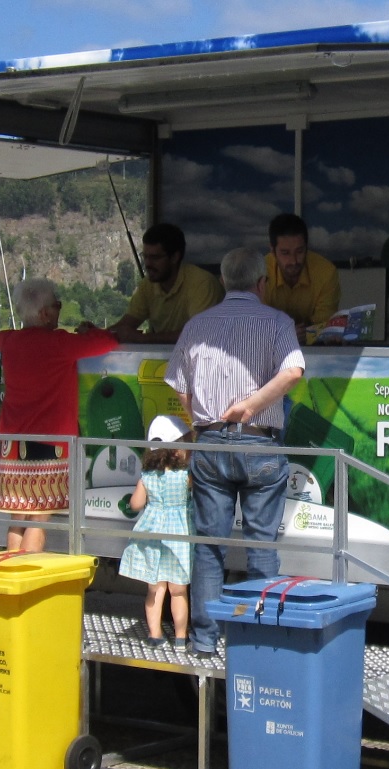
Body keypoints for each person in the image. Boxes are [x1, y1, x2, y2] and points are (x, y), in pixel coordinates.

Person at [165, 247, 306, 658]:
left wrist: (201, 421)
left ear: (224, 282)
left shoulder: (197, 324)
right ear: (262, 283)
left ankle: (205, 639)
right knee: (262, 544)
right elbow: (294, 370)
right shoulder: (278, 321)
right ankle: (261, 638)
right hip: (260, 442)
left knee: (210, 545)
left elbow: (176, 381)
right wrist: (254, 404)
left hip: (210, 442)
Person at [0, 278, 118, 551]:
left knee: (17, 517)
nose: (60, 310)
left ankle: (9, 575)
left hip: (11, 446)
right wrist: (90, 330)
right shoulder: (60, 344)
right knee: (39, 519)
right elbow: (108, 341)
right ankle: (26, 582)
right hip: (50, 446)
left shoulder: (8, 341)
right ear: (44, 314)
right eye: (57, 305)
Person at [118, 415, 195, 649]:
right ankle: (181, 637)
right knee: (179, 590)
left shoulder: (147, 477)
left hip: (152, 534)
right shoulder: (185, 476)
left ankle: (155, 634)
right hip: (179, 535)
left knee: (155, 588)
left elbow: (136, 504)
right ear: (178, 449)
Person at [111, 223, 224, 343]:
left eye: (155, 258)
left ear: (175, 257)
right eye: (145, 257)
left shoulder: (202, 283)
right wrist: (94, 333)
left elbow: (199, 334)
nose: (148, 264)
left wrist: (143, 338)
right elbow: (126, 325)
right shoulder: (147, 285)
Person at [263, 213, 341, 338]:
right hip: (270, 348)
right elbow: (255, 325)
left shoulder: (326, 272)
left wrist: (308, 333)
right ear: (272, 251)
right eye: (285, 253)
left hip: (314, 348)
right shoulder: (259, 272)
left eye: (299, 251)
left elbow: (326, 325)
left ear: (307, 247)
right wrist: (284, 334)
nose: (293, 261)